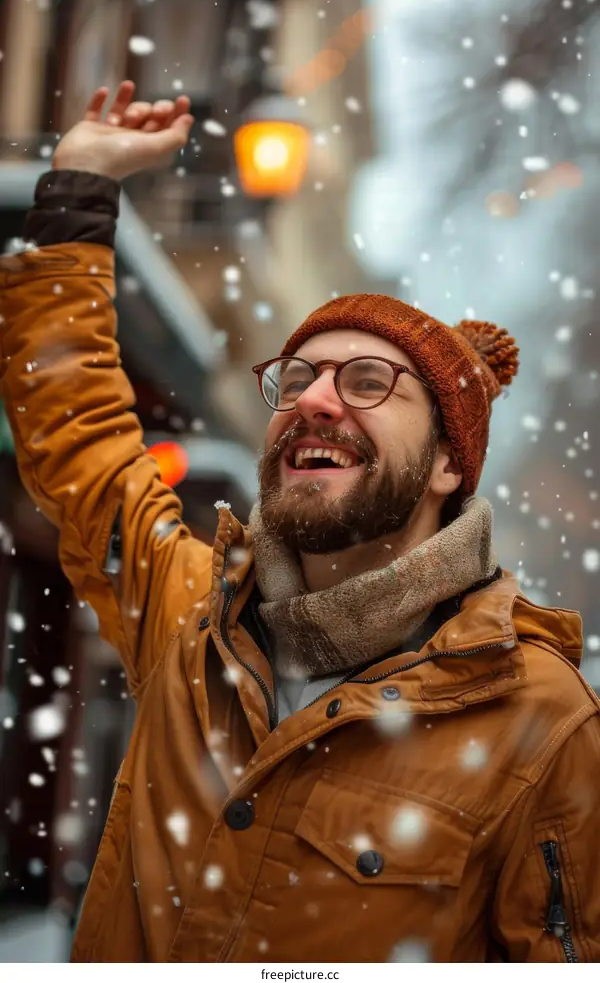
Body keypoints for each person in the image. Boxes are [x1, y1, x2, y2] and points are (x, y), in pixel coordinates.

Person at [1, 81, 599, 964]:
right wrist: (81, 186)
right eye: (299, 376)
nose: (315, 399)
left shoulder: (542, 724)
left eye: (367, 382)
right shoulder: (190, 614)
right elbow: (78, 437)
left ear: (446, 465)